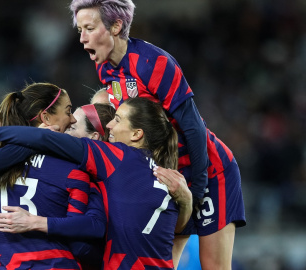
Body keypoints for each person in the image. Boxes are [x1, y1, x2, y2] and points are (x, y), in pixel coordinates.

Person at [69, 1, 246, 269]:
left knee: (213, 266)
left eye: (89, 28)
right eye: (80, 29)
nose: (82, 39)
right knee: (159, 264)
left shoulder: (154, 63)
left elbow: (193, 127)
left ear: (116, 26)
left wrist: (196, 191)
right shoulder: (105, 68)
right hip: (165, 172)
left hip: (208, 171)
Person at [0, 97, 193, 269]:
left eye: (118, 120)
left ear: (137, 134)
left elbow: (43, 138)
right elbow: (178, 234)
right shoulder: (168, 177)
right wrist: (188, 201)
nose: (111, 125)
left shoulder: (117, 157)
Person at [0, 83, 107, 269]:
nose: (72, 120)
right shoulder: (73, 169)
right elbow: (79, 245)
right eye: (68, 111)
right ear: (46, 117)